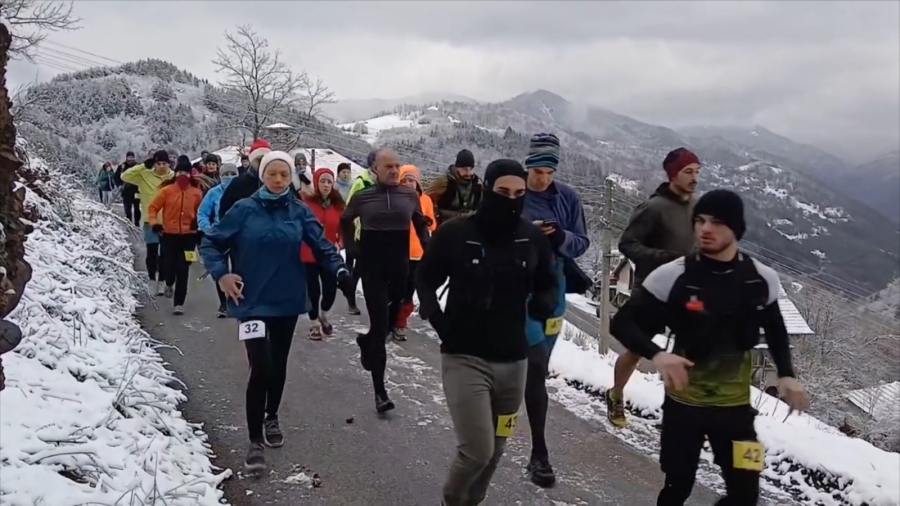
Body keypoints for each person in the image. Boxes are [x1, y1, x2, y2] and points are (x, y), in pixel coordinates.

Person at [610, 188, 810, 506]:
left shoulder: (760, 279)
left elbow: (775, 327)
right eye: (700, 220)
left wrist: (786, 374)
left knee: (745, 495)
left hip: (736, 412)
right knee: (677, 487)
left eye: (716, 222)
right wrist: (658, 355)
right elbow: (622, 324)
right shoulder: (673, 275)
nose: (705, 228)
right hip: (683, 408)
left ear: (736, 228)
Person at [417, 159, 559, 506]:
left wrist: (544, 303)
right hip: (465, 357)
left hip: (514, 361)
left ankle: (472, 501)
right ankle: (452, 500)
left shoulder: (532, 238)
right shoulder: (456, 234)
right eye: (503, 192)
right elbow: (426, 278)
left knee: (496, 450)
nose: (511, 199)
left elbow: (548, 283)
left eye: (519, 194)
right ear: (487, 190)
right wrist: (437, 318)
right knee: (477, 451)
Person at [200, 150, 351, 473]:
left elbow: (322, 245)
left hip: (286, 300)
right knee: (261, 366)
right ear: (262, 176)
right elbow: (211, 243)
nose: (279, 180)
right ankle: (254, 441)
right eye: (272, 174)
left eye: (284, 174)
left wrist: (339, 269)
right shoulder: (244, 210)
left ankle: (271, 416)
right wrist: (222, 274)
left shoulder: (298, 211)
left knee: (278, 364)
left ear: (291, 177)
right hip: (250, 301)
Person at [607, 147, 700, 429]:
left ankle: (680, 414)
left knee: (687, 356)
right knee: (636, 350)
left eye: (697, 171)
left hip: (686, 293)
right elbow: (627, 244)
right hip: (653, 292)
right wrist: (665, 258)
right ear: (673, 175)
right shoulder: (653, 208)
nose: (694, 177)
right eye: (688, 172)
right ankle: (616, 394)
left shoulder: (698, 206)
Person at [518, 133, 590, 488]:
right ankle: (539, 453)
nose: (543, 179)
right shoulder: (513, 192)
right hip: (519, 286)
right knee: (533, 366)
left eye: (549, 172)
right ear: (528, 165)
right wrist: (527, 235)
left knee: (540, 365)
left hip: (555, 289)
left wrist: (560, 236)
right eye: (538, 172)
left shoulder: (568, 198)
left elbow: (582, 243)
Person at [340, 147, 430, 413]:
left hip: (400, 268)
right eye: (388, 166)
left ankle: (367, 341)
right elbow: (346, 221)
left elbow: (420, 223)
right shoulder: (363, 196)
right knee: (380, 327)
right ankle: (380, 393)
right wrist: (352, 248)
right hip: (372, 269)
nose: (393, 170)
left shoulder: (409, 195)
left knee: (388, 324)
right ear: (375, 169)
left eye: (396, 166)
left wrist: (429, 249)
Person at [147, 156, 203, 315]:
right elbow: (152, 208)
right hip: (168, 235)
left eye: (186, 172)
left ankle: (179, 303)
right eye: (180, 173)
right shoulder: (166, 191)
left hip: (189, 236)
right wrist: (154, 223)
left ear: (190, 174)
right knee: (168, 265)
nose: (183, 176)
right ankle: (169, 282)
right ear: (175, 174)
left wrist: (198, 224)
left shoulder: (196, 193)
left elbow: (202, 212)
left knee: (184, 268)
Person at [392, 164, 437, 341]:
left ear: (417, 183)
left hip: (417, 253)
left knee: (409, 290)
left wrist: (427, 221)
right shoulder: (394, 198)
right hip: (397, 252)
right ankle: (391, 320)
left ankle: (400, 322)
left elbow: (432, 225)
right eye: (405, 180)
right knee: (396, 289)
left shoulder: (425, 200)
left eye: (412, 180)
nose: (409, 184)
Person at [121, 150, 174, 295]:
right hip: (150, 221)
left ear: (169, 164)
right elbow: (124, 176)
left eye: (164, 163)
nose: (161, 166)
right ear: (154, 164)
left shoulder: (173, 177)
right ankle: (152, 280)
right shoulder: (145, 175)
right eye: (158, 163)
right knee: (152, 253)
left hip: (168, 222)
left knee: (165, 254)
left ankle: (162, 281)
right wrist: (143, 166)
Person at [301, 168, 345, 340]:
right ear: (316, 184)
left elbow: (344, 227)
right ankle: (314, 323)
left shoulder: (338, 205)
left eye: (329, 182)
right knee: (313, 291)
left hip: (328, 254)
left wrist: (340, 241)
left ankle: (323, 314)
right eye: (322, 181)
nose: (326, 185)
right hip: (308, 253)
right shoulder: (307, 204)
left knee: (330, 290)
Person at [197, 163, 240, 317]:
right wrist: (209, 230)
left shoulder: (243, 191)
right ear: (220, 176)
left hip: (240, 237)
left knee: (240, 270)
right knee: (221, 270)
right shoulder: (213, 193)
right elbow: (202, 213)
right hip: (220, 237)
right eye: (225, 174)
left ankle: (238, 300)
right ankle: (223, 304)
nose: (229, 177)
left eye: (232, 174)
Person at [341, 150, 379, 316]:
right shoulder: (361, 182)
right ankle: (351, 299)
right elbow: (349, 209)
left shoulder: (384, 183)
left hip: (378, 234)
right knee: (359, 270)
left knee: (370, 271)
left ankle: (375, 306)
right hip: (361, 233)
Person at [426, 149, 482, 226]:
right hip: (445, 226)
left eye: (471, 169)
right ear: (457, 168)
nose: (468, 173)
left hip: (469, 226)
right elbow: (427, 201)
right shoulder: (445, 182)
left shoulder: (477, 185)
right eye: (465, 169)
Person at [218, 139, 272, 219]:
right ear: (252, 161)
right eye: (259, 159)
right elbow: (224, 211)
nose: (263, 162)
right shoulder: (239, 183)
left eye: (266, 159)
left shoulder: (279, 181)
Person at [115, 151, 141, 225]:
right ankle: (129, 223)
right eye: (129, 157)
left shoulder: (138, 166)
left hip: (136, 190)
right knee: (127, 208)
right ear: (126, 158)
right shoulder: (122, 166)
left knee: (137, 207)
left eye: (132, 157)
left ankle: (137, 223)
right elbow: (116, 177)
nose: (130, 159)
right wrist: (120, 184)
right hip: (126, 190)